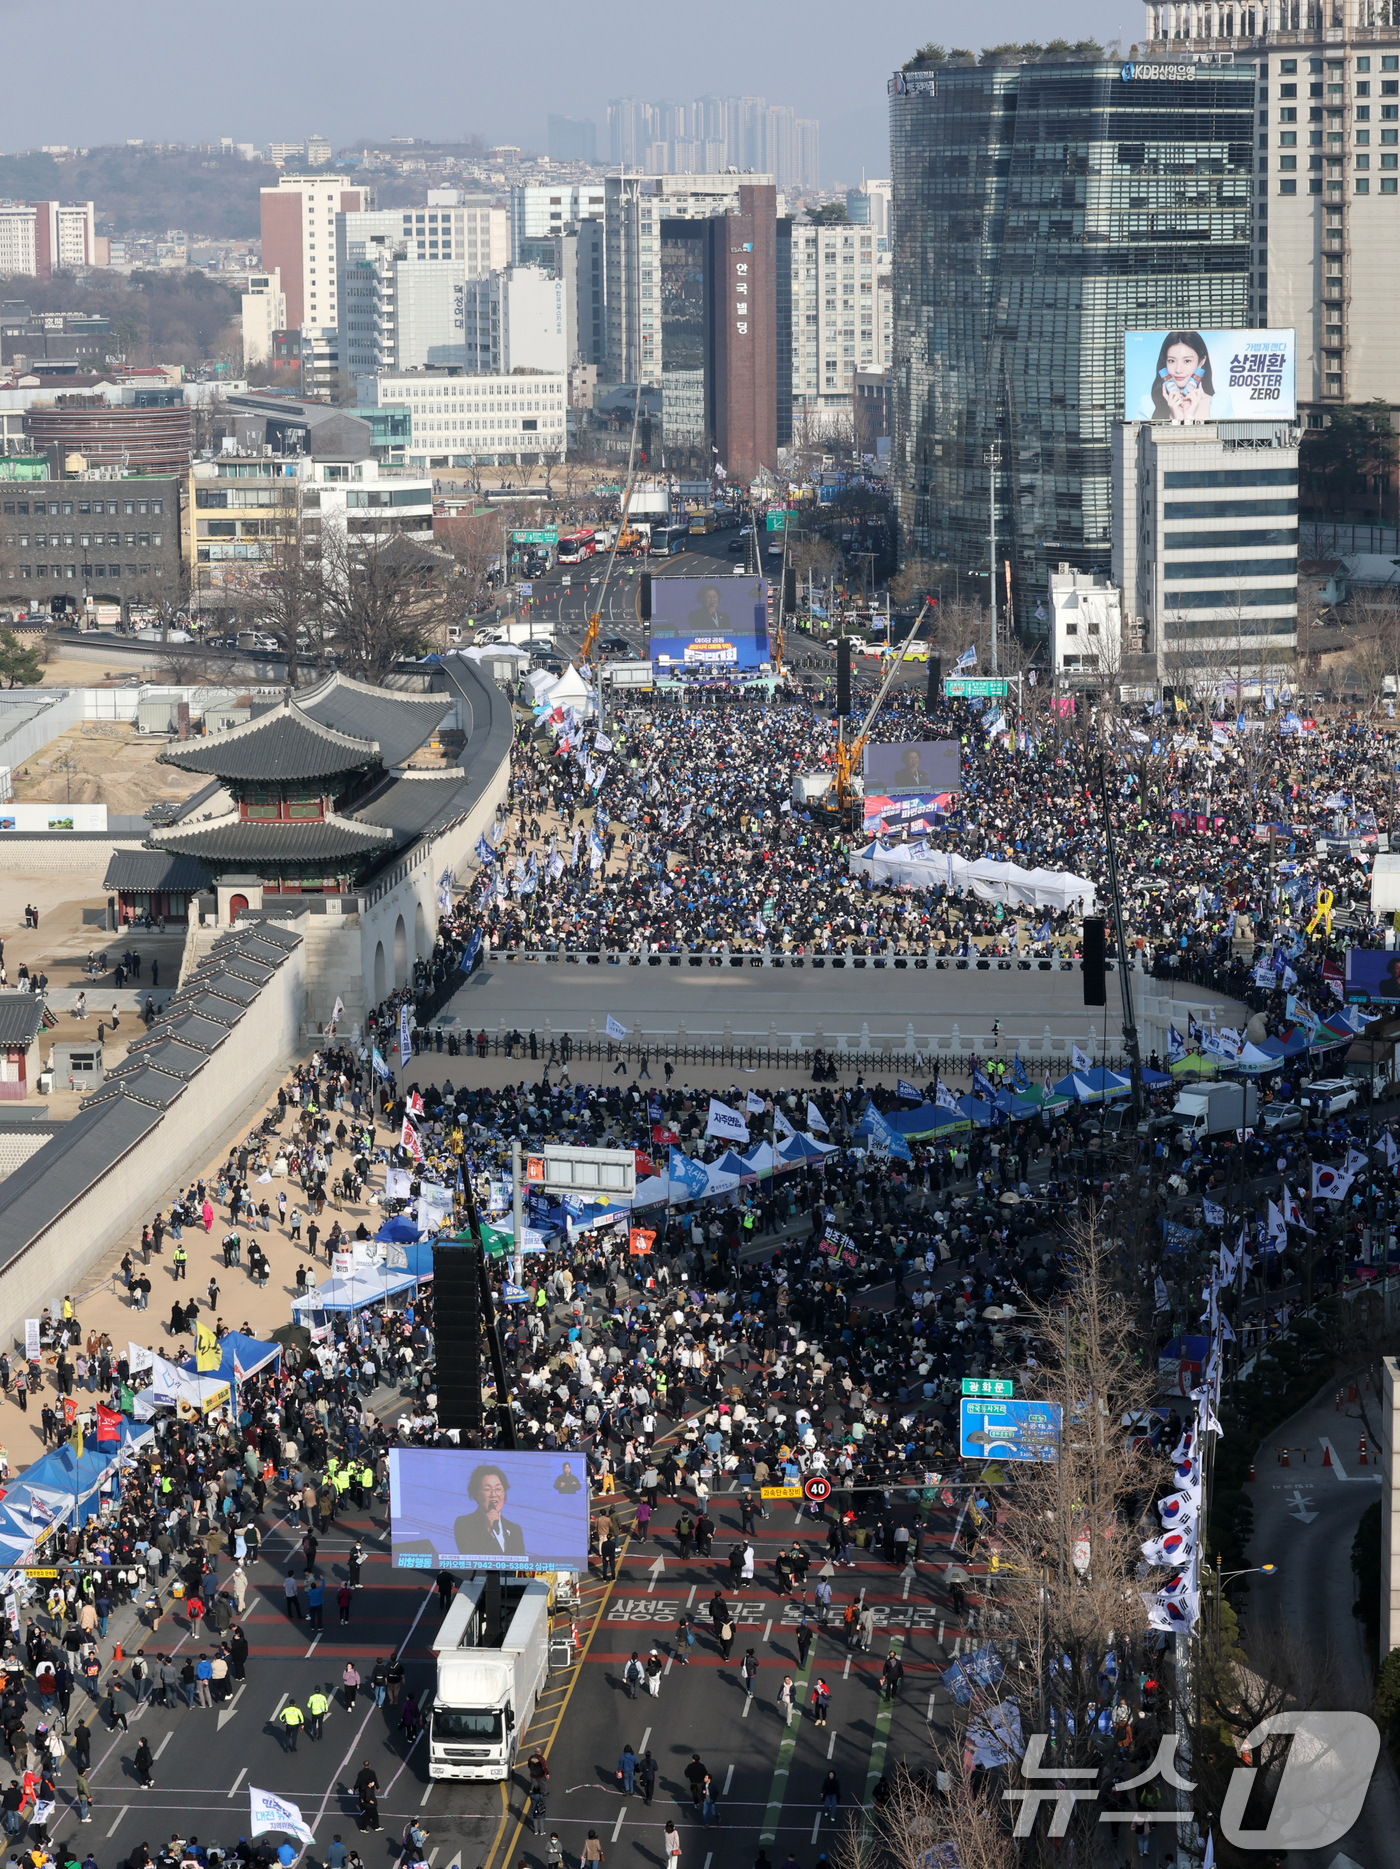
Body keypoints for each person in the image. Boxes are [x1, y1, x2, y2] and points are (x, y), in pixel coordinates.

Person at [451, 1464, 526, 1558]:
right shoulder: (464, 1523)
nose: (494, 1494)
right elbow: (471, 1557)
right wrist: (488, 1530)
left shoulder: (515, 1530)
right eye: (487, 1489)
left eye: (498, 1489)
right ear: (476, 1494)